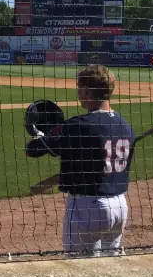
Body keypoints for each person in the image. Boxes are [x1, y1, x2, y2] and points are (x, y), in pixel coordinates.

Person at [25, 65, 134, 257]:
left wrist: (39, 134)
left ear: (86, 90)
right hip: (120, 206)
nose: (78, 91)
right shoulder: (125, 125)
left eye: (79, 87)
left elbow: (33, 150)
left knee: (81, 269)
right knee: (113, 265)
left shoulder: (77, 126)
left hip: (88, 208)